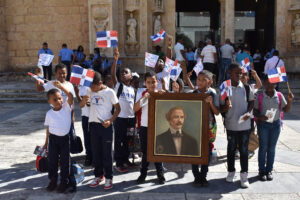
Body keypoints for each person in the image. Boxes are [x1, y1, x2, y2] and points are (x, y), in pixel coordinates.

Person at [84, 72, 120, 190]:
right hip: (93, 126)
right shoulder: (91, 91)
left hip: (106, 127)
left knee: (107, 153)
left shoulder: (110, 92)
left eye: (93, 86)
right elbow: (85, 103)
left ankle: (109, 177)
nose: (91, 89)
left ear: (100, 83)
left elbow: (118, 109)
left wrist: (110, 120)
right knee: (96, 152)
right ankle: (98, 175)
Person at [220, 63, 254, 188]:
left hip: (244, 126)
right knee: (231, 149)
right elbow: (221, 107)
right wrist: (226, 106)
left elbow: (251, 101)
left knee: (244, 150)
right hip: (231, 125)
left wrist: (247, 112)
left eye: (241, 73)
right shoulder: (224, 86)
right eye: (236, 73)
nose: (239, 75)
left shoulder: (246, 87)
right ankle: (231, 172)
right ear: (229, 73)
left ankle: (244, 175)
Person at [254, 75, 294, 181]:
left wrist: (289, 101)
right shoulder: (260, 96)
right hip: (263, 125)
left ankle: (269, 170)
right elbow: (255, 111)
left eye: (272, 83)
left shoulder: (279, 96)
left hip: (275, 125)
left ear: (275, 84)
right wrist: (260, 117)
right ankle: (262, 170)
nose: (270, 85)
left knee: (271, 148)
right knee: (263, 148)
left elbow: (286, 110)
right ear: (264, 84)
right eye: (267, 83)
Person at [134, 71, 165, 184]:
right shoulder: (142, 94)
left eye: (153, 82)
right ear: (145, 83)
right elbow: (135, 108)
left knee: (158, 151)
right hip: (145, 127)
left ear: (157, 82)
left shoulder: (161, 93)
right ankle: (143, 174)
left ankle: (160, 173)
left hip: (158, 127)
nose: (151, 84)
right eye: (149, 82)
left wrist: (165, 94)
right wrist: (144, 98)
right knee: (146, 152)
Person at [42, 82, 73, 193]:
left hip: (65, 139)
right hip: (53, 140)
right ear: (49, 102)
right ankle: (53, 181)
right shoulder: (49, 113)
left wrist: (61, 87)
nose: (59, 101)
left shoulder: (66, 108)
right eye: (55, 100)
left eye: (60, 98)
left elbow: (70, 96)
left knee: (65, 162)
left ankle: (64, 182)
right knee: (52, 161)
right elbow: (48, 129)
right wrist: (46, 142)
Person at [190, 70, 220, 186]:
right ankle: (196, 177)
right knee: (194, 152)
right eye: (198, 79)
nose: (200, 82)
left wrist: (210, 103)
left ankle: (204, 176)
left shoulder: (212, 93)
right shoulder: (193, 93)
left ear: (210, 82)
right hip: (195, 128)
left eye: (203, 80)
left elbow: (216, 112)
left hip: (208, 128)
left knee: (206, 153)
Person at [111, 47, 137, 173]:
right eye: (122, 72)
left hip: (130, 118)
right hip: (120, 118)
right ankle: (119, 162)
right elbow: (113, 74)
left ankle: (126, 159)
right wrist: (115, 60)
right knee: (119, 141)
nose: (123, 74)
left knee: (127, 141)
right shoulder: (118, 86)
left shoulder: (132, 89)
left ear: (131, 76)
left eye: (126, 72)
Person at [75, 85, 92, 166]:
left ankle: (96, 156)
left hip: (96, 116)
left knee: (95, 138)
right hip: (86, 115)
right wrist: (77, 93)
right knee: (87, 138)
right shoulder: (82, 88)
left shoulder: (97, 88)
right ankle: (89, 156)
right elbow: (80, 103)